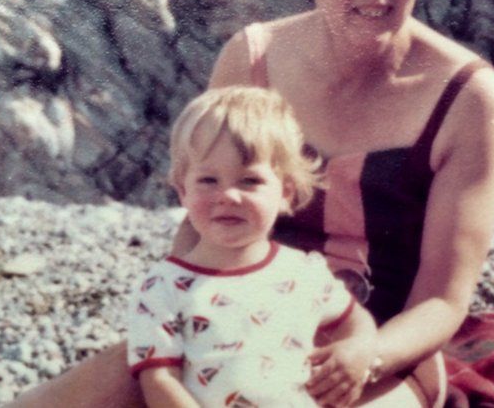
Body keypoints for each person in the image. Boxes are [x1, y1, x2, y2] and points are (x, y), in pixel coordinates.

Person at [10, 0, 494, 406]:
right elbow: (202, 221)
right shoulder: (253, 60)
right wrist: (169, 329)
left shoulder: (466, 95)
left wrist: (367, 356)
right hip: (232, 317)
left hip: (380, 347)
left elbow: (442, 300)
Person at [127, 87, 377, 408]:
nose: (228, 196)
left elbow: (354, 320)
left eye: (249, 181)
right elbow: (159, 380)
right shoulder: (162, 285)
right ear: (182, 191)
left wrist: (358, 349)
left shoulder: (302, 272)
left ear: (286, 193)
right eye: (208, 180)